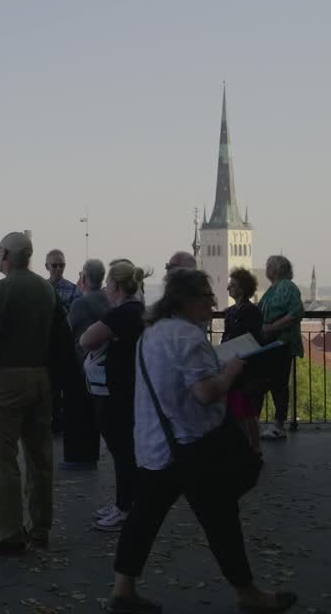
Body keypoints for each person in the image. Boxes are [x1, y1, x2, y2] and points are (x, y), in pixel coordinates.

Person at [106, 268, 297, 614]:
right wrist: (230, 372)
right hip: (192, 444)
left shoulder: (154, 332)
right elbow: (206, 393)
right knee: (221, 520)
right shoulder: (188, 338)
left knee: (143, 519)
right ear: (189, 300)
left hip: (157, 443)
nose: (212, 304)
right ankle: (248, 594)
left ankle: (123, 589)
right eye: (208, 298)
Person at [0, 231, 57, 555]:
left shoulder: (2, 289)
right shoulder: (45, 289)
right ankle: (40, 528)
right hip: (41, 377)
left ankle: (9, 533)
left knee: (1, 459)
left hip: (6, 380)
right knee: (40, 457)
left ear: (6, 255)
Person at [80, 260, 147, 532]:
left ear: (116, 286)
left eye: (108, 284)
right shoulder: (139, 310)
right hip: (131, 386)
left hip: (117, 389)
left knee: (121, 450)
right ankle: (124, 502)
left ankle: (125, 508)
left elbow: (86, 339)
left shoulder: (121, 313)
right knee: (124, 449)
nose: (106, 289)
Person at [61, 258, 107, 470]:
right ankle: (91, 455)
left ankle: (78, 458)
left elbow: (68, 330)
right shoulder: (106, 299)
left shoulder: (80, 303)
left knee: (78, 413)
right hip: (100, 363)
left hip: (80, 363)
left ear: (85, 278)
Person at [257, 255, 304, 440]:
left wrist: (271, 327)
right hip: (271, 344)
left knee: (278, 384)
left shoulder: (287, 286)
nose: (267, 268)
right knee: (272, 383)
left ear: (278, 269)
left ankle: (278, 425)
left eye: (269, 265)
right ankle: (272, 423)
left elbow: (296, 313)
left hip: (280, 343)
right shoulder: (273, 288)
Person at [223, 268, 264, 453]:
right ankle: (247, 446)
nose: (228, 287)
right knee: (240, 408)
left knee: (245, 409)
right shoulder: (234, 311)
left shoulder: (249, 311)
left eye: (232, 285)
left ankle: (252, 447)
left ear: (242, 288)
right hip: (235, 363)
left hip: (246, 366)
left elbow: (250, 338)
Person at [46, 248, 80, 435]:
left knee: (64, 384)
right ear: (47, 266)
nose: (58, 269)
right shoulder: (40, 288)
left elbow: (75, 318)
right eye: (55, 265)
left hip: (65, 343)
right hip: (47, 344)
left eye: (62, 265)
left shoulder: (73, 289)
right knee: (50, 386)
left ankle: (62, 420)